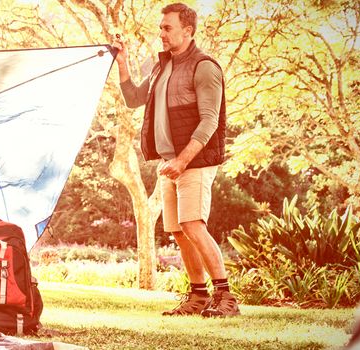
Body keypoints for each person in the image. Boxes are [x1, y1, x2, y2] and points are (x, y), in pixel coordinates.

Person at [112, 3, 239, 317]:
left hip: (194, 161)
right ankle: (197, 296)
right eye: (161, 28)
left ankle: (226, 297)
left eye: (167, 28)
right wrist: (123, 63)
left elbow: (209, 121)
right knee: (179, 231)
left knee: (193, 225)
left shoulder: (204, 66)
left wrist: (183, 161)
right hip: (170, 162)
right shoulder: (161, 67)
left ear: (188, 30)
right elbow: (133, 99)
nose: (162, 34)